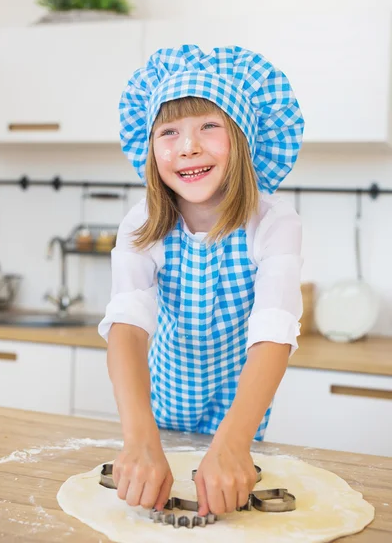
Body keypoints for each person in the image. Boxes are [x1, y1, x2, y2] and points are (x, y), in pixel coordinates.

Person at [98, 44, 305, 518]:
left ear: (244, 138)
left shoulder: (273, 221)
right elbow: (127, 324)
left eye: (209, 126)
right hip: (160, 410)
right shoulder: (142, 221)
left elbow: (274, 330)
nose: (188, 146)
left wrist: (233, 443)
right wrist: (139, 438)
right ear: (150, 149)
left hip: (242, 414)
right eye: (169, 131)